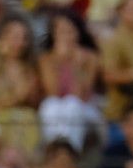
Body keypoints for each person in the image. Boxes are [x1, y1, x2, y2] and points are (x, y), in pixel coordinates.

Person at [0, 17, 40, 152]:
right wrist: (16, 98)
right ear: (1, 38)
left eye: (24, 38)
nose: (21, 42)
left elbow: (33, 104)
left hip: (21, 119)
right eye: (16, 37)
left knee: (26, 118)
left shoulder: (28, 68)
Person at [38, 12, 100, 149]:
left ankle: (71, 151)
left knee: (72, 104)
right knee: (50, 106)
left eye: (69, 31)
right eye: (61, 32)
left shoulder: (90, 58)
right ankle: (54, 150)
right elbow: (52, 92)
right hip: (58, 106)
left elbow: (81, 95)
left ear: (78, 33)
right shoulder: (45, 59)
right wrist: (58, 62)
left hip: (85, 107)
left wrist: (76, 65)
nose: (65, 37)